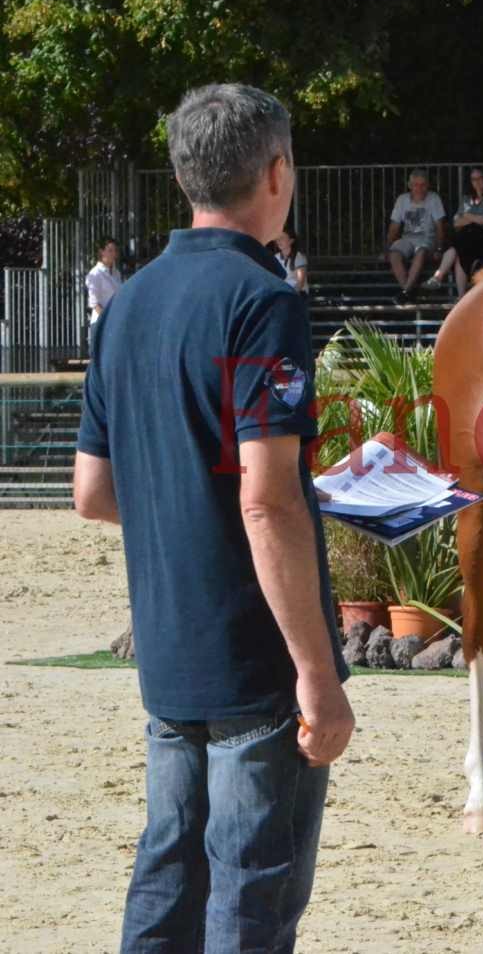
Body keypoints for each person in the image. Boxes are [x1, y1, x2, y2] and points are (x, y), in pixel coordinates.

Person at [72, 82, 354, 952]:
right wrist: (318, 674)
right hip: (253, 653)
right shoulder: (263, 299)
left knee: (169, 872)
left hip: (169, 646)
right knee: (252, 891)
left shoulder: (127, 304)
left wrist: (187, 515)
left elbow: (92, 493)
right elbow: (266, 501)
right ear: (275, 172)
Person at [426, 167, 483, 296]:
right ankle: (460, 296)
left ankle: (438, 276)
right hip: (466, 238)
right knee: (459, 250)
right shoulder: (466, 199)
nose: (477, 182)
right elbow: (456, 222)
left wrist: (467, 216)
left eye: (480, 178)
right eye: (473, 179)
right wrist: (473, 218)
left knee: (460, 245)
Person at [385, 168, 447, 302]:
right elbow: (394, 226)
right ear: (410, 185)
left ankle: (406, 291)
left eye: (423, 184)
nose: (419, 188)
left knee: (421, 252)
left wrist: (439, 248)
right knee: (394, 254)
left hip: (426, 239)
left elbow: (440, 227)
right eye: (416, 184)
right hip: (407, 238)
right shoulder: (402, 200)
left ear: (427, 185)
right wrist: (387, 248)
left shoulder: (434, 198)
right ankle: (407, 292)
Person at [85, 237, 124, 340]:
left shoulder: (117, 273)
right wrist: (107, 319)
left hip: (115, 323)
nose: (113, 254)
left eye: (115, 251)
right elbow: (94, 303)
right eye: (110, 250)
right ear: (102, 252)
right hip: (101, 323)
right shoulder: (95, 273)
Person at [269, 226, 309, 298]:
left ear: (291, 241)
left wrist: (289, 296)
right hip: (283, 294)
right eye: (278, 238)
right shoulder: (276, 257)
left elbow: (300, 283)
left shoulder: (299, 257)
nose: (279, 241)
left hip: (298, 295)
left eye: (282, 238)